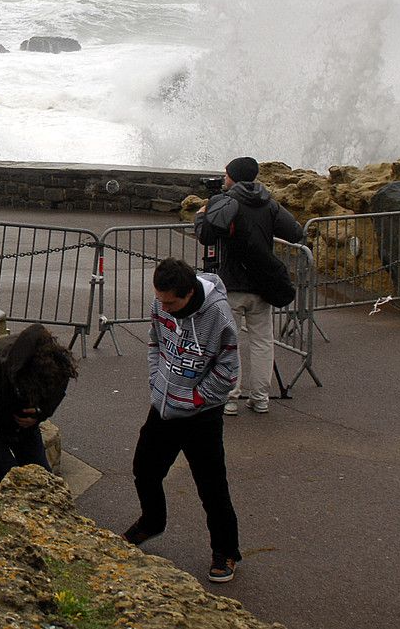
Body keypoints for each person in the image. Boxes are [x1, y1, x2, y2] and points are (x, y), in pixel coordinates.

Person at [123, 258, 241, 583]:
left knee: (211, 485)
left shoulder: (218, 315)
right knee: (144, 469)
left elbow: (228, 369)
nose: (165, 307)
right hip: (164, 404)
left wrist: (195, 398)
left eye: (171, 302)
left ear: (189, 293)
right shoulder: (162, 303)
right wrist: (156, 380)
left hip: (201, 413)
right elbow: (155, 341)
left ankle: (226, 550)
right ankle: (152, 522)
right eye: (160, 300)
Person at [194, 156, 304, 415]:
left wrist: (201, 216)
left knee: (228, 343)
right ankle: (261, 398)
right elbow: (295, 232)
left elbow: (206, 236)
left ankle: (230, 397)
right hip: (261, 284)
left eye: (226, 174)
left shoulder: (226, 202)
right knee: (263, 341)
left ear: (234, 177)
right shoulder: (269, 202)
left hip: (230, 285)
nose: (224, 179)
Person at [0, 324, 78, 478]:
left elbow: (57, 390)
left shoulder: (56, 364)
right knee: (8, 476)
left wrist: (40, 412)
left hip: (24, 425)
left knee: (43, 478)